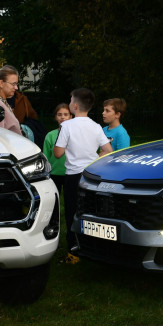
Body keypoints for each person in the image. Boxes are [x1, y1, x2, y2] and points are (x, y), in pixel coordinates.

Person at [54, 88, 112, 261]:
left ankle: (73, 251)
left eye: (70, 100)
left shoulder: (66, 125)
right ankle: (93, 247)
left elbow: (57, 153)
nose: (70, 102)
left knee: (72, 211)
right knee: (90, 211)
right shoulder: (95, 126)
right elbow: (108, 150)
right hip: (91, 175)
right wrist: (93, 158)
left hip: (73, 176)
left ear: (75, 106)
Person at [42, 103, 72, 196]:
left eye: (66, 114)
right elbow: (45, 156)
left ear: (71, 117)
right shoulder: (50, 135)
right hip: (54, 173)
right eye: (59, 115)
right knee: (54, 198)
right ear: (55, 117)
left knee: (70, 198)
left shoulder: (75, 134)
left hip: (70, 172)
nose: (62, 117)